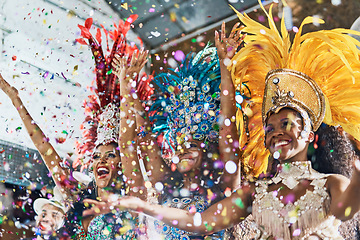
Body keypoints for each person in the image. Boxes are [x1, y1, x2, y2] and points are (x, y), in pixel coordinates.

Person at [83, 3, 360, 239]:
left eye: (286, 124)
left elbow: (347, 209)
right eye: (271, 127)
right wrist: (139, 205)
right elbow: (199, 222)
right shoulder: (253, 194)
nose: (277, 133)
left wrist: (226, 69)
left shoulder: (330, 184)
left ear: (310, 134)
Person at [0, 15, 149, 239]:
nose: (102, 161)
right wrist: (15, 100)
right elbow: (44, 149)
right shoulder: (75, 196)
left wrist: (126, 87)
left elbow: (127, 142)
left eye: (110, 156)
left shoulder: (134, 195)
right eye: (98, 156)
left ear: (123, 163)